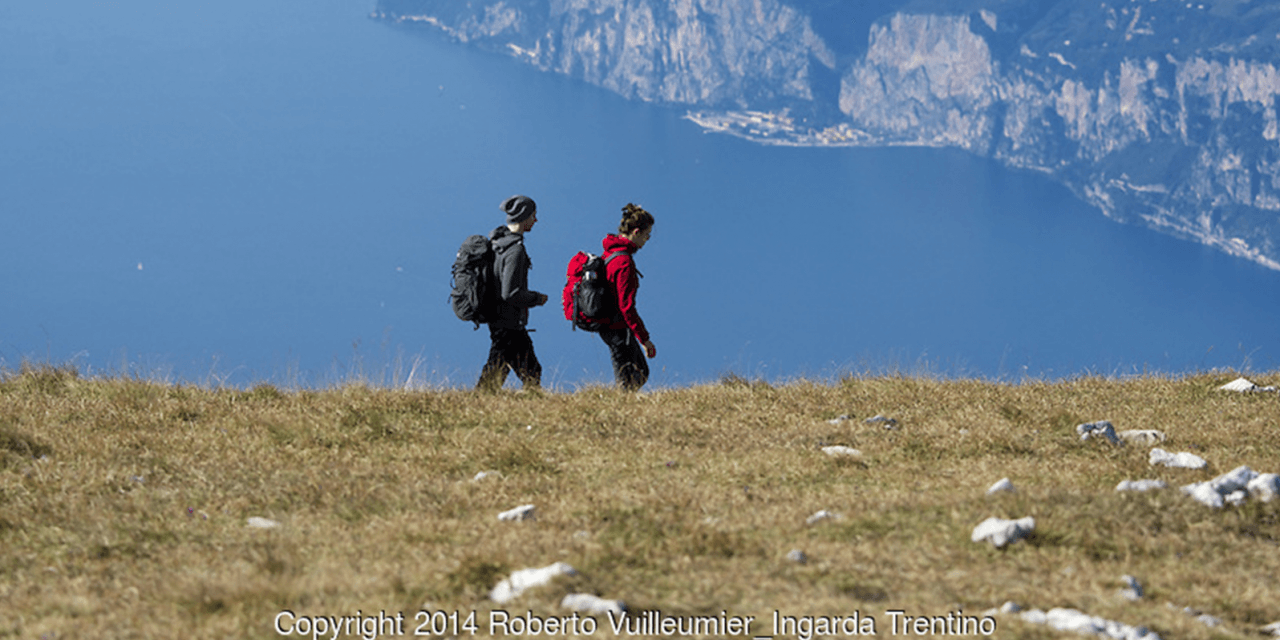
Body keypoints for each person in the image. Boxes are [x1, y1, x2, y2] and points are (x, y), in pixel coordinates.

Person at [477, 195, 549, 391]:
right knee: (530, 372)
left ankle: (479, 403)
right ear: (524, 217)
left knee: (499, 370)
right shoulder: (515, 250)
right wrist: (537, 298)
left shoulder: (497, 244)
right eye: (533, 215)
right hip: (508, 321)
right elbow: (511, 293)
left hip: (497, 318)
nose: (535, 220)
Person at [599, 203, 657, 391]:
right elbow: (626, 307)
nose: (647, 240)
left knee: (639, 373)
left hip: (610, 324)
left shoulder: (610, 254)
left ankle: (621, 406)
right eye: (647, 235)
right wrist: (644, 339)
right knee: (630, 379)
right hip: (617, 326)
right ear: (637, 232)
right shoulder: (624, 262)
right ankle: (615, 413)